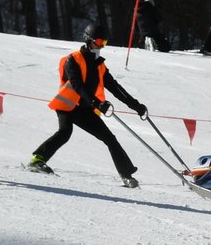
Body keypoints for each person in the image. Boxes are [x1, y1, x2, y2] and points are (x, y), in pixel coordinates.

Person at [29, 24, 149, 187]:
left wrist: (136, 106)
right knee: (65, 132)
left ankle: (126, 175)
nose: (101, 46)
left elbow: (114, 87)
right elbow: (77, 85)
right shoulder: (73, 59)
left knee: (110, 139)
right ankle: (37, 160)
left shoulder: (99, 64)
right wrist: (97, 103)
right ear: (88, 40)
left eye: (104, 42)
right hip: (67, 105)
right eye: (99, 41)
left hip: (84, 109)